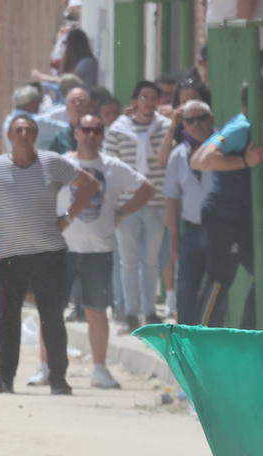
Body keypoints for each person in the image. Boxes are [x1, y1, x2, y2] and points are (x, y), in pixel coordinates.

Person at [0, 113, 97, 395]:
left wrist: (67, 217)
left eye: (29, 130)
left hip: (49, 252)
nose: (24, 135)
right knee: (7, 319)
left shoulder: (52, 163)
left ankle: (58, 379)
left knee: (52, 317)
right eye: (18, 130)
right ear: (9, 135)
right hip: (9, 254)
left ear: (36, 134)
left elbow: (89, 184)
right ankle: (5, 379)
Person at [47, 114, 154, 390]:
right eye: (86, 129)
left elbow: (146, 188)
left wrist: (122, 212)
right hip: (62, 248)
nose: (91, 134)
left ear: (103, 135)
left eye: (97, 130)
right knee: (53, 310)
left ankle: (99, 368)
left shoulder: (113, 167)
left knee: (96, 311)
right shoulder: (62, 164)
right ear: (76, 132)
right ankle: (45, 366)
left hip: (99, 250)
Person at [190, 87, 263, 327]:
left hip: (242, 217)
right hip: (225, 216)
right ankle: (203, 339)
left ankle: (247, 335)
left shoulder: (244, 125)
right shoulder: (240, 127)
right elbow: (201, 159)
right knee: (220, 278)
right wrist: (244, 161)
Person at [105, 81, 172, 330]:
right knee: (128, 260)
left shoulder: (165, 128)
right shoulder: (117, 130)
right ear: (135, 100)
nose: (148, 102)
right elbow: (109, 167)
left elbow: (169, 161)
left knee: (151, 259)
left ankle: (150, 311)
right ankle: (131, 312)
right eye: (144, 97)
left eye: (153, 97)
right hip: (126, 204)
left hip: (156, 202)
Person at [163, 100, 216, 325]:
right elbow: (172, 199)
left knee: (213, 289)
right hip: (192, 232)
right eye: (189, 120)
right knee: (186, 289)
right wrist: (175, 240)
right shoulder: (178, 155)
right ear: (183, 124)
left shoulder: (223, 147)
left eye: (201, 118)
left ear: (211, 120)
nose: (196, 124)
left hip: (220, 231)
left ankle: (211, 339)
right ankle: (186, 341)